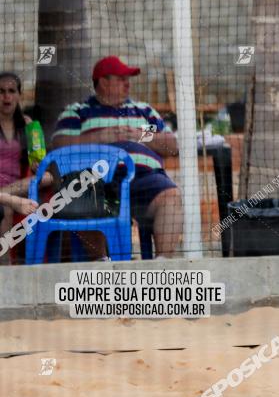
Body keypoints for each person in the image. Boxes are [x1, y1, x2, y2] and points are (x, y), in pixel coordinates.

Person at [51, 56, 182, 258]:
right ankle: (101, 263)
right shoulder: (79, 112)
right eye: (121, 79)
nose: (128, 83)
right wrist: (99, 137)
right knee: (84, 190)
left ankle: (162, 265)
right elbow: (59, 144)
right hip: (98, 179)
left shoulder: (142, 111)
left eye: (128, 79)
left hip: (144, 178)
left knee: (171, 196)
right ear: (103, 81)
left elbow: (171, 145)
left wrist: (139, 135)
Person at [0, 72, 52, 262]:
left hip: (18, 186)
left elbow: (39, 160)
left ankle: (4, 194)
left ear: (19, 95)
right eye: (1, 91)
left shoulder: (28, 125)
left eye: (11, 91)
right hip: (9, 196)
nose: (6, 96)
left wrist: (37, 164)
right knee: (6, 208)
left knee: (47, 177)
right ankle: (4, 269)